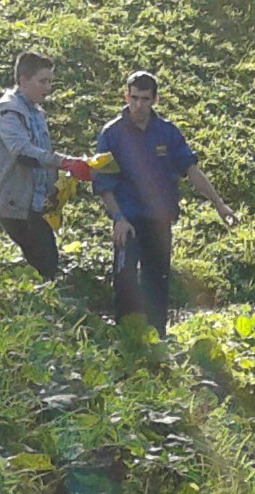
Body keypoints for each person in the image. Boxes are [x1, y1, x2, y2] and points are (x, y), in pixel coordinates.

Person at [92, 69, 235, 333]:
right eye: (134, 98)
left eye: (145, 99)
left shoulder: (167, 133)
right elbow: (102, 183)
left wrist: (219, 204)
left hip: (159, 220)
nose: (139, 105)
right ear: (126, 96)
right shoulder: (112, 133)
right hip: (127, 219)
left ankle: (158, 339)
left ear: (155, 100)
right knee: (124, 281)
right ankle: (126, 339)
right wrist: (118, 218)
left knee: (157, 283)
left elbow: (191, 169)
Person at [0, 51, 89, 279]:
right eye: (42, 81)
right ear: (23, 81)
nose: (47, 87)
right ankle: (39, 304)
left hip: (34, 201)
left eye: (50, 81)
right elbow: (22, 152)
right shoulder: (7, 113)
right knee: (44, 261)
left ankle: (39, 303)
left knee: (45, 260)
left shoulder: (36, 113)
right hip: (14, 201)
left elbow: (42, 155)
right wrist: (64, 162)